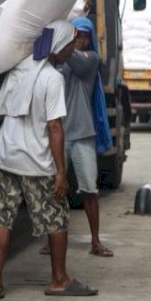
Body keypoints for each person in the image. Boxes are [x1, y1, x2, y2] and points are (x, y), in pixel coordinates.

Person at [0, 20, 97, 299]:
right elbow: (55, 127)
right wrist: (61, 171)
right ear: (58, 45)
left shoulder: (20, 68)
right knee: (56, 218)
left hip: (6, 156)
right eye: (69, 44)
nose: (72, 49)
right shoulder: (52, 78)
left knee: (1, 218)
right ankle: (59, 279)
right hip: (35, 161)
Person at [41, 17, 115, 258]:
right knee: (55, 190)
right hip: (59, 135)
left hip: (82, 134)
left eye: (84, 36)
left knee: (89, 190)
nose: (81, 40)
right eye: (76, 35)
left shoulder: (91, 60)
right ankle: (51, 240)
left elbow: (74, 60)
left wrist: (60, 43)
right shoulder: (60, 63)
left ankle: (95, 240)